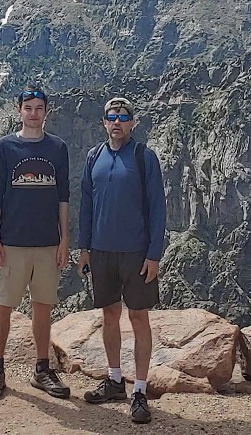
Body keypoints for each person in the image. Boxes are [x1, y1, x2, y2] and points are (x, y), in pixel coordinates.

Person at [77, 96, 167, 424]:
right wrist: (83, 248)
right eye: (111, 117)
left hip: (135, 253)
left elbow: (158, 209)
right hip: (101, 251)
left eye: (123, 117)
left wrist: (154, 254)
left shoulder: (145, 158)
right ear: (103, 122)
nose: (117, 122)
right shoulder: (93, 157)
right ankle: (115, 380)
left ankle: (140, 389)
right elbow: (86, 204)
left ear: (132, 123)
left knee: (139, 318)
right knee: (110, 314)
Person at [0, 86, 72, 400]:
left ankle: (42, 369)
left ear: (46, 112)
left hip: (48, 243)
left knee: (42, 307)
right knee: (3, 305)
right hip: (12, 242)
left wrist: (64, 240)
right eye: (28, 108)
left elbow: (63, 196)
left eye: (39, 108)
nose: (33, 113)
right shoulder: (4, 147)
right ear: (18, 110)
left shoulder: (58, 148)